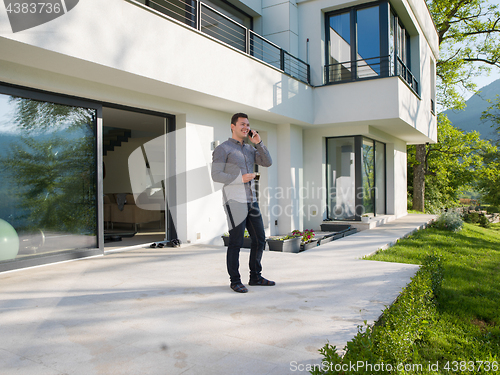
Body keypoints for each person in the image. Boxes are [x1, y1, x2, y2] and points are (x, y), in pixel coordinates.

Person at [211, 113, 274, 293]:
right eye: (242, 124)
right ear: (233, 126)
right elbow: (216, 175)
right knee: (236, 242)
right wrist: (240, 178)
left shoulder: (249, 149)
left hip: (251, 200)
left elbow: (267, 162)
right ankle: (235, 281)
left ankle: (255, 276)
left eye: (248, 124)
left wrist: (259, 143)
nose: (246, 127)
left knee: (260, 239)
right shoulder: (223, 149)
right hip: (234, 201)